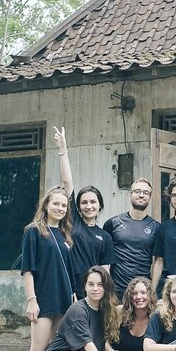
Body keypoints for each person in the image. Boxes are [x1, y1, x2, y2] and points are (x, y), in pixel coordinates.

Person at [5, 186, 76, 351]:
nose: (60, 208)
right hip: (43, 299)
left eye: (64, 205)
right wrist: (31, 300)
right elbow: (27, 269)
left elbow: (68, 270)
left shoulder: (64, 234)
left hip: (63, 300)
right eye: (56, 203)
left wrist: (73, 294)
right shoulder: (34, 231)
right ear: (46, 205)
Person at [54, 126, 116, 300]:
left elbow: (105, 272)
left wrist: (102, 297)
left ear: (100, 205)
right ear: (78, 207)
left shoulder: (105, 237)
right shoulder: (73, 220)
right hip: (68, 288)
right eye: (84, 202)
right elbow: (67, 181)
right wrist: (62, 150)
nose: (89, 206)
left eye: (93, 202)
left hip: (92, 294)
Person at [103, 178, 160, 297]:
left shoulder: (156, 227)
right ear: (130, 195)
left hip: (142, 291)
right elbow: (103, 258)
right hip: (116, 290)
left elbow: (158, 262)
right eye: (137, 191)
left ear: (150, 197)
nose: (141, 195)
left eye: (146, 193)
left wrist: (152, 291)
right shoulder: (113, 223)